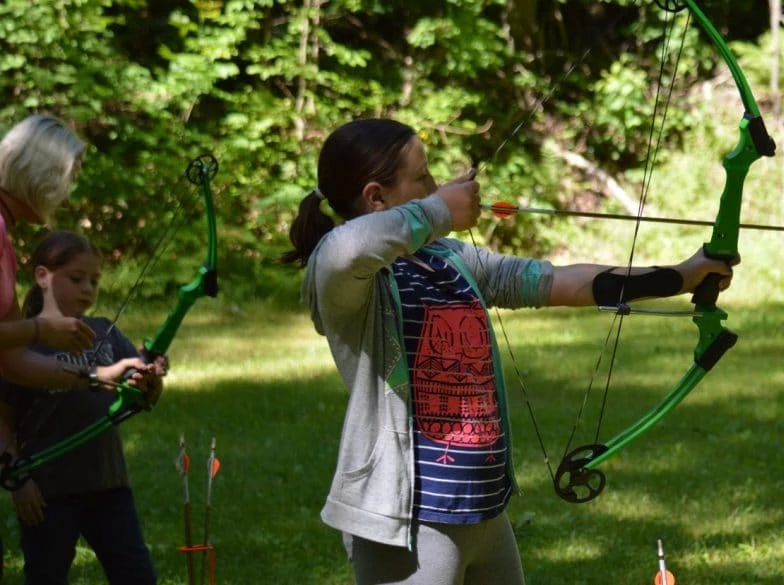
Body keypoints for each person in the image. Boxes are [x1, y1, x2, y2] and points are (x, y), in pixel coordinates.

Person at [281, 118, 737, 585]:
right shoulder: (346, 280)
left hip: (483, 511)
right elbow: (344, 251)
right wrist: (439, 210)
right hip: (409, 523)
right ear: (377, 197)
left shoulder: (450, 259)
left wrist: (682, 276)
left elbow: (562, 282)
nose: (435, 185)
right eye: (422, 178)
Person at [0, 230, 164, 585]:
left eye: (94, 280)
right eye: (77, 279)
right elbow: (3, 417)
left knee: (137, 575)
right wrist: (18, 479)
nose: (88, 288)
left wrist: (151, 380)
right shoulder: (22, 342)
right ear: (43, 277)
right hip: (47, 494)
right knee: (46, 576)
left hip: (108, 485)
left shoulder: (104, 330)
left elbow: (143, 395)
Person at [0, 114, 142, 391]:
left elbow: (15, 362)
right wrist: (41, 329)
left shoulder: (5, 248)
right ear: (39, 176)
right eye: (66, 182)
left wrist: (100, 375)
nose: (65, 199)